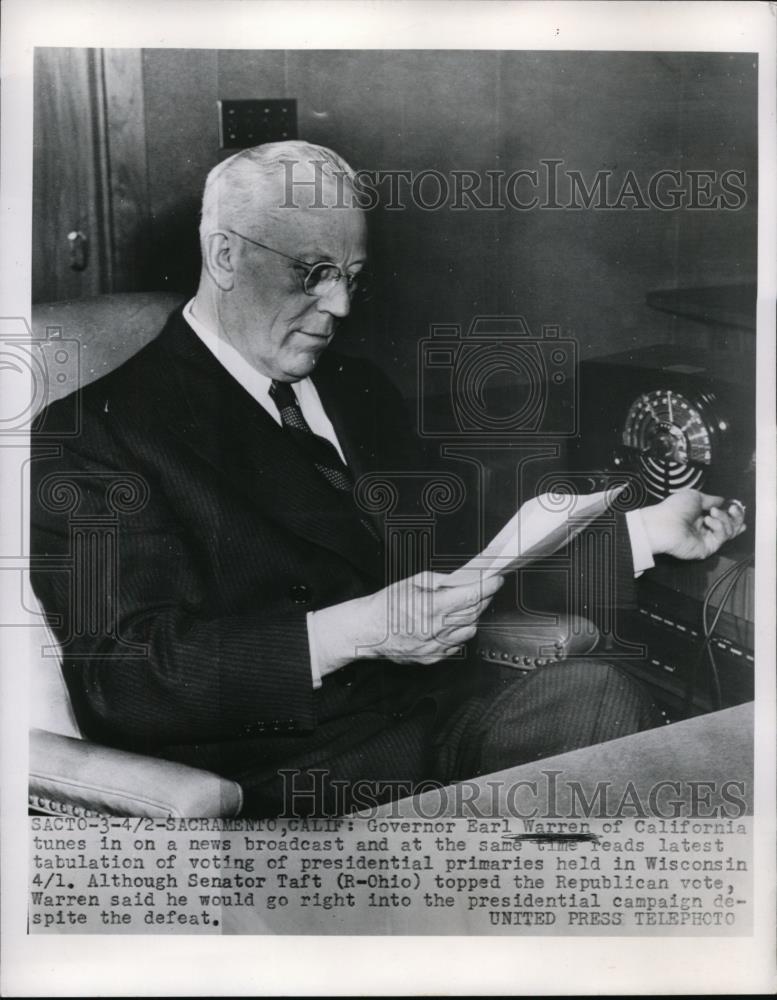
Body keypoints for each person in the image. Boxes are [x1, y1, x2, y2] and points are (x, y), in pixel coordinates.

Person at [30, 141, 746, 817]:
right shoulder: (104, 432)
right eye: (312, 273)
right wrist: (354, 631)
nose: (339, 307)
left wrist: (644, 532)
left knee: (602, 703)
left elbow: (474, 556)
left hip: (435, 722)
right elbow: (122, 679)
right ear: (224, 254)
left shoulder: (354, 388)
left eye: (352, 277)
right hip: (289, 776)